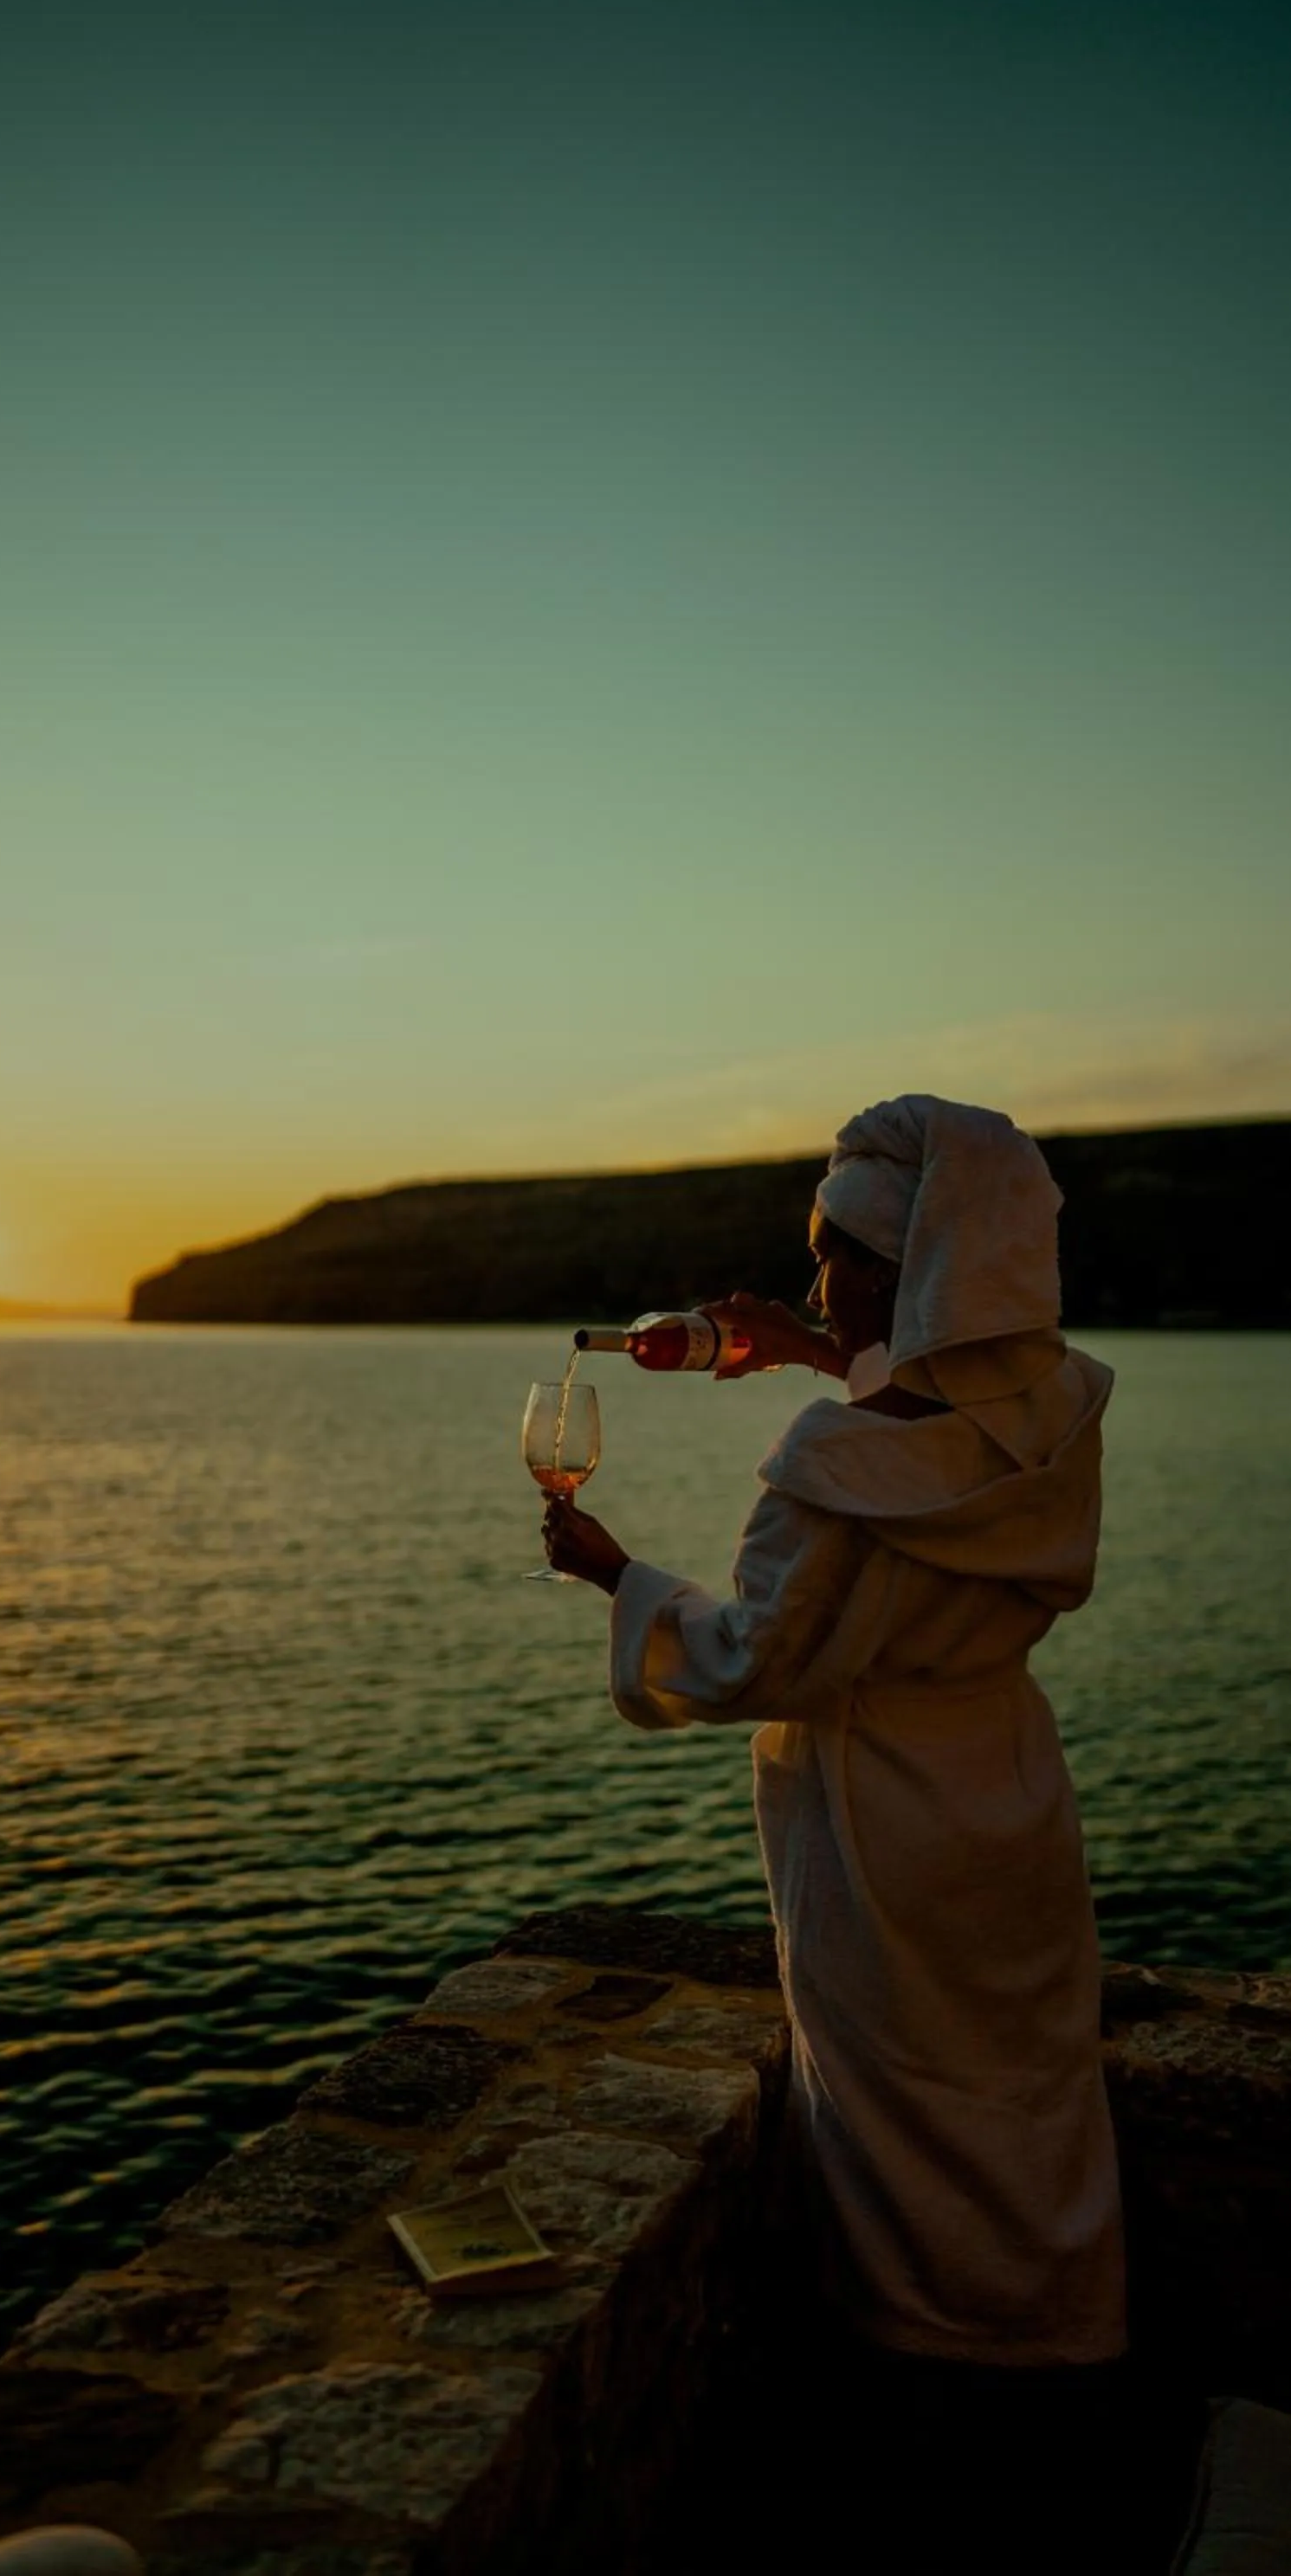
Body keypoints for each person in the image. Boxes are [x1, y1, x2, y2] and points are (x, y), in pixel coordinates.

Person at [543, 1096, 1131, 2559]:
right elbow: (936, 1407)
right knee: (1020, 2089)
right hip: (1001, 1795)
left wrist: (613, 1577)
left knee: (896, 2116)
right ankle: (1061, 2369)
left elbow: (754, 1660)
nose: (810, 1292)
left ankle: (923, 2433)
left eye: (830, 1265)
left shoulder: (831, 1470)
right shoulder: (1053, 1421)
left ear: (900, 1270)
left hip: (876, 1825)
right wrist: (817, 1352)